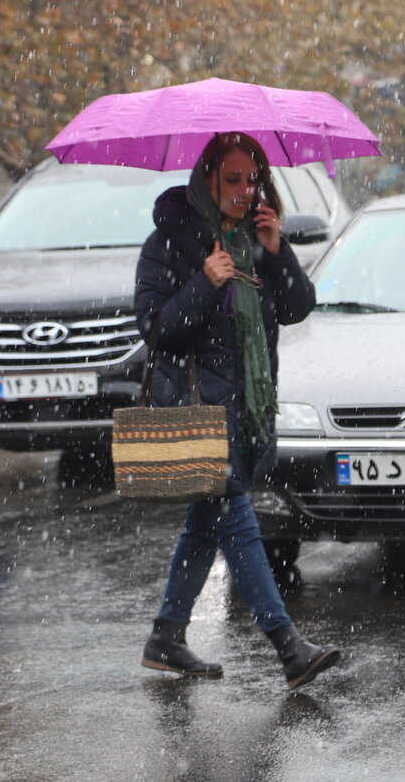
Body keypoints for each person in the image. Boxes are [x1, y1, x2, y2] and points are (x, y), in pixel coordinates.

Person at [134, 132, 340, 689]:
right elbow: (156, 330)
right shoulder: (170, 243)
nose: (245, 192)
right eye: (232, 180)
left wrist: (278, 252)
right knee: (236, 519)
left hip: (246, 410)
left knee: (206, 523)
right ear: (207, 178)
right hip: (198, 412)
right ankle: (288, 645)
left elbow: (297, 308)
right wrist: (205, 283)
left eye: (253, 180)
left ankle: (167, 637)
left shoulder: (255, 239)